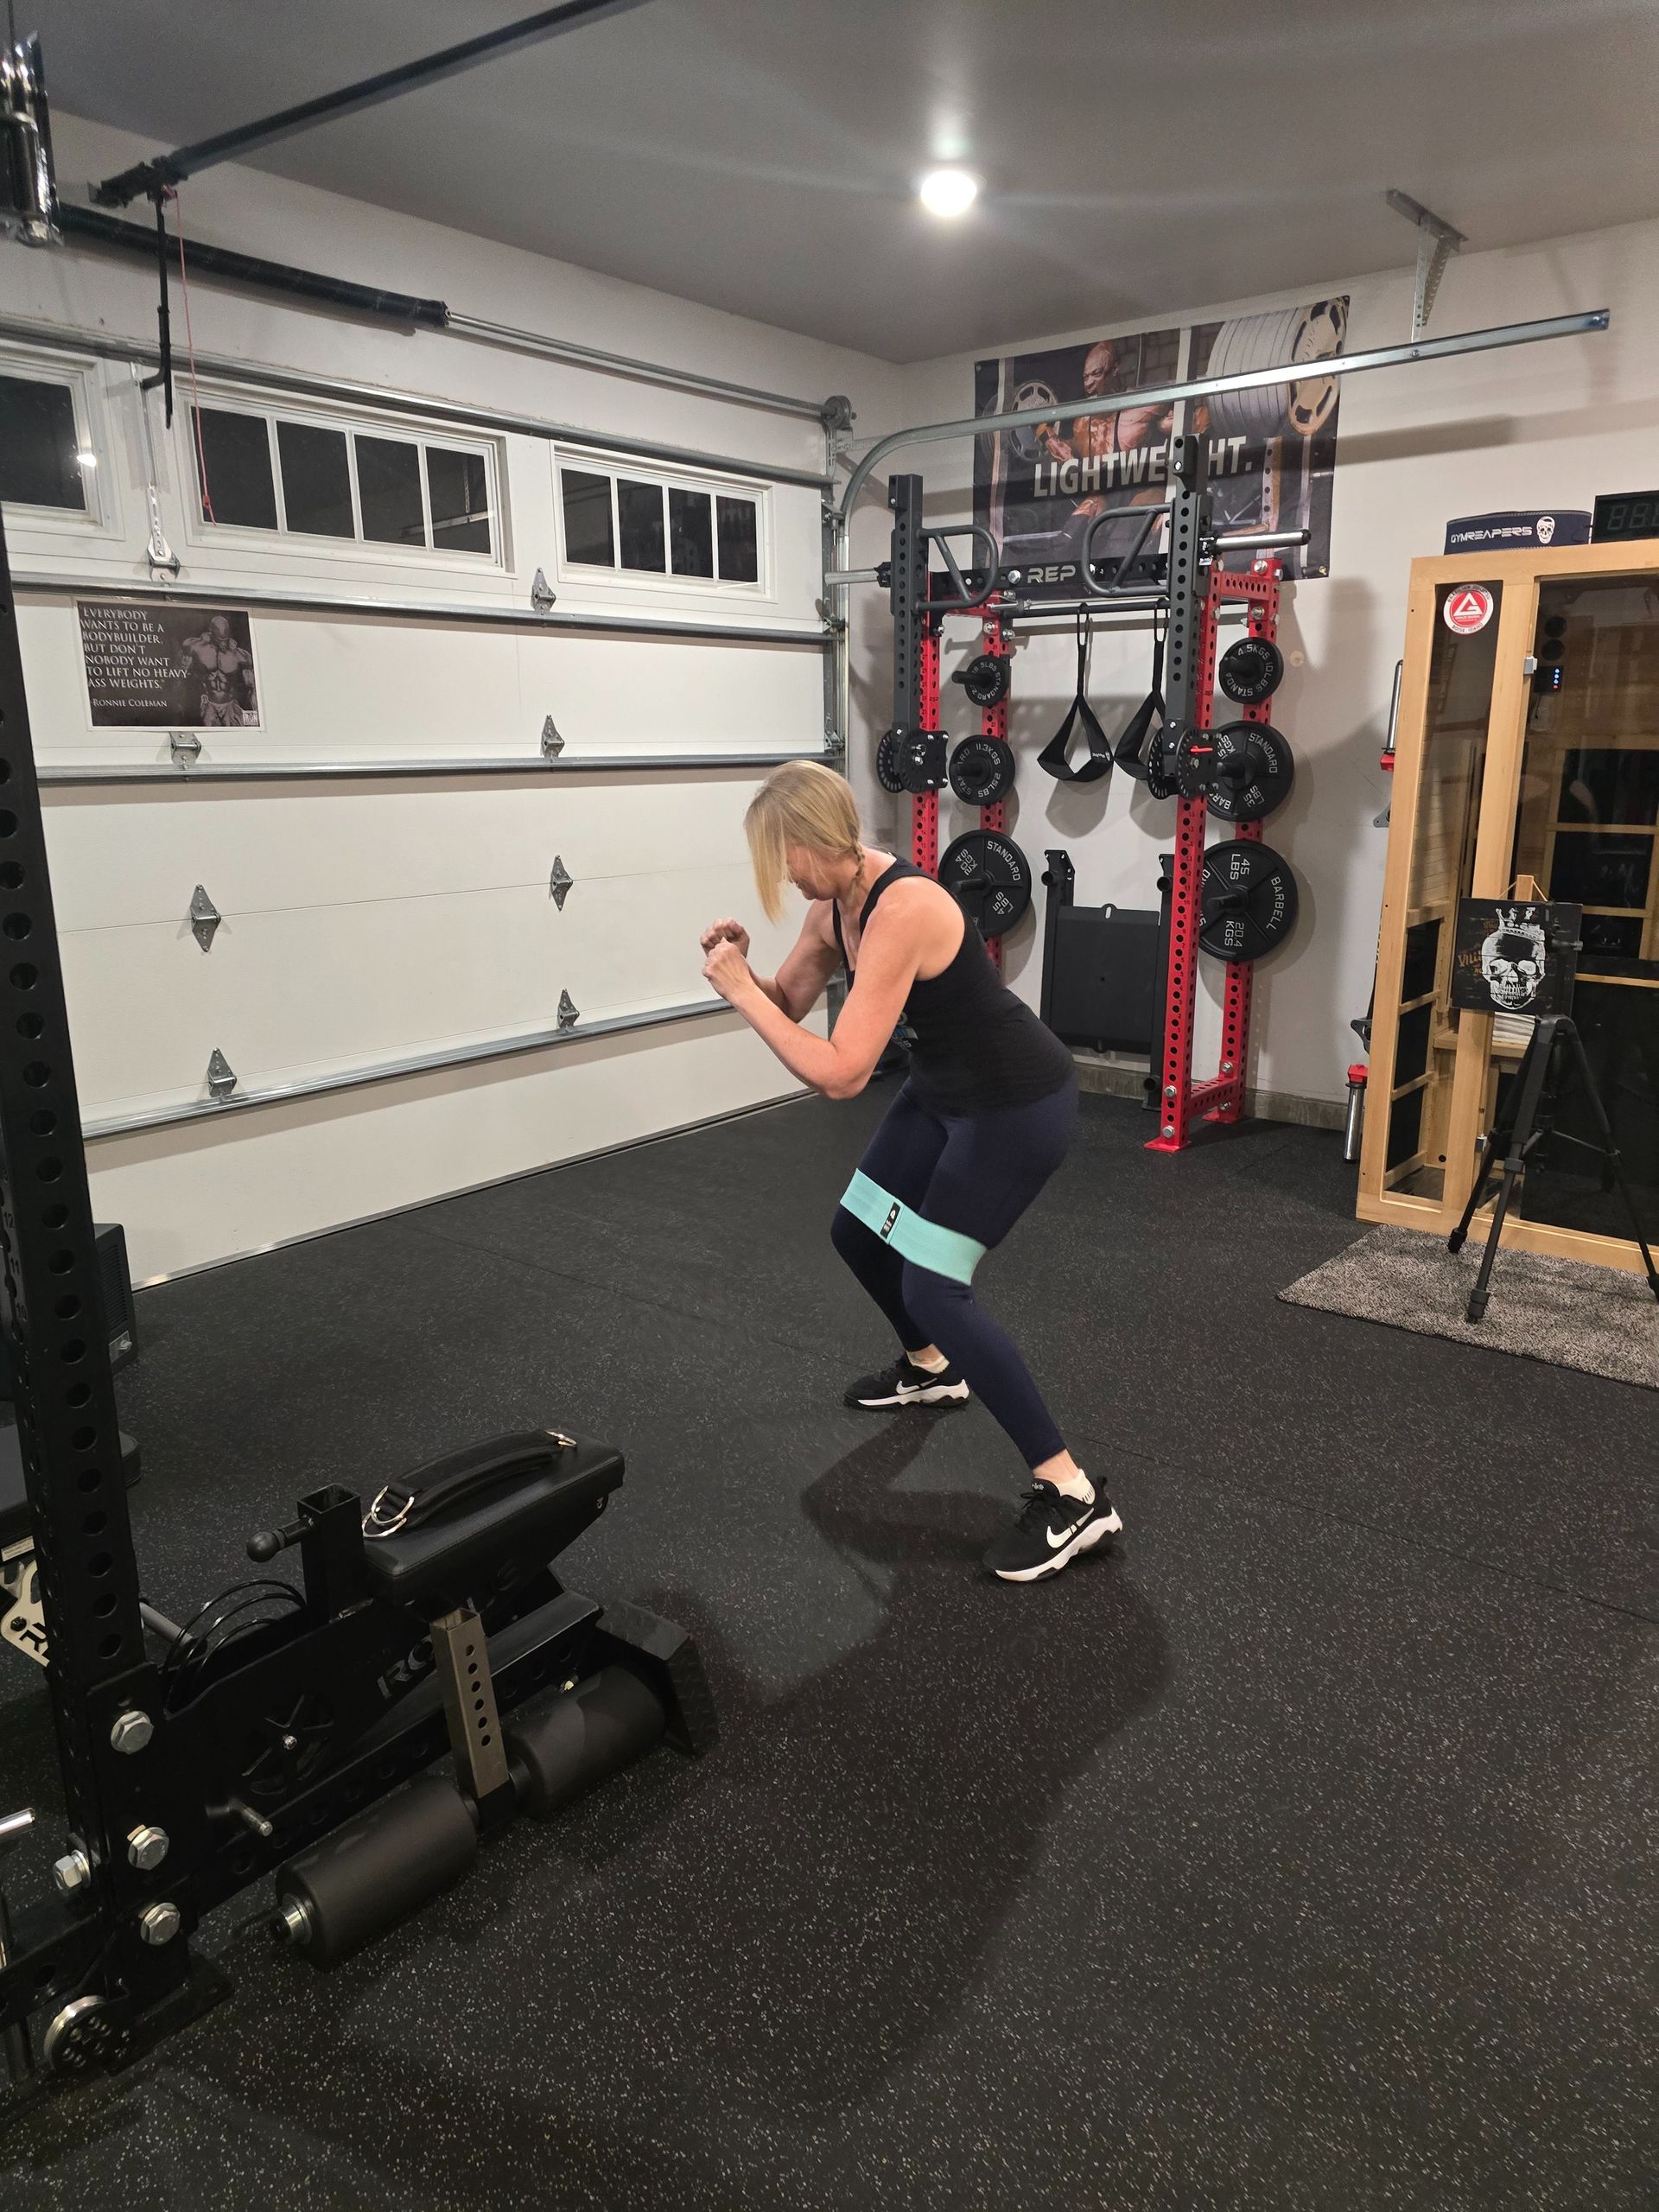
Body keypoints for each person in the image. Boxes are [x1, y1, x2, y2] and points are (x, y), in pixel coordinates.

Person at [700, 760, 1120, 1583]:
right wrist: (745, 973)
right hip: (942, 1092)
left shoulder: (906, 908)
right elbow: (788, 1003)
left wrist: (737, 1000)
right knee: (856, 1232)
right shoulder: (835, 909)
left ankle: (1072, 1496)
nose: (780, 875)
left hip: (1015, 1106)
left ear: (812, 840)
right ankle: (931, 1368)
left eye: (781, 857)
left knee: (935, 1286)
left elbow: (841, 1074)